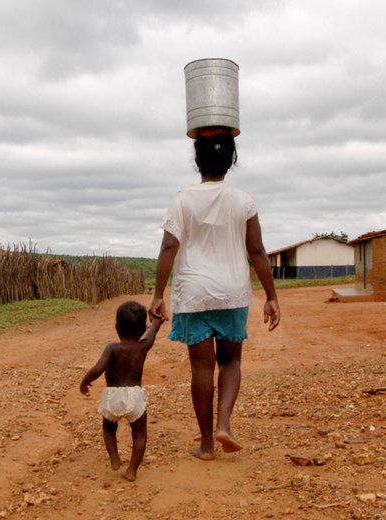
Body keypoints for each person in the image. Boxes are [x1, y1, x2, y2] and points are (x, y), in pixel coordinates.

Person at [150, 127, 280, 461]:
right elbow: (258, 251)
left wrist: (157, 294)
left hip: (193, 293)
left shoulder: (182, 200)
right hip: (232, 291)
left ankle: (207, 445)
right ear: (231, 160)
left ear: (197, 161)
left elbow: (168, 246)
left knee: (202, 369)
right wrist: (271, 296)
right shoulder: (244, 201)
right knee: (231, 360)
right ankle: (225, 423)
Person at [79, 300, 162, 481]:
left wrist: (84, 382)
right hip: (134, 396)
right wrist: (157, 319)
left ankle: (115, 457)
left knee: (109, 428)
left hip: (112, 396)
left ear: (117, 327)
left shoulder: (112, 348)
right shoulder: (143, 347)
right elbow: (153, 331)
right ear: (142, 328)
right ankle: (132, 470)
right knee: (139, 434)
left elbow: (97, 369)